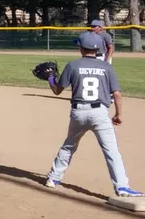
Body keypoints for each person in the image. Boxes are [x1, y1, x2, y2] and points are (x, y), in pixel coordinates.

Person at [44, 32, 142, 197]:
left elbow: (57, 91)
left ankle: (53, 178)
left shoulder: (72, 65)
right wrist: (118, 115)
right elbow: (117, 94)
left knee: (69, 145)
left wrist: (51, 78)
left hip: (78, 112)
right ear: (98, 49)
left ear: (81, 48)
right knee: (111, 151)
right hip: (99, 114)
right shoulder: (106, 67)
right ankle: (122, 186)